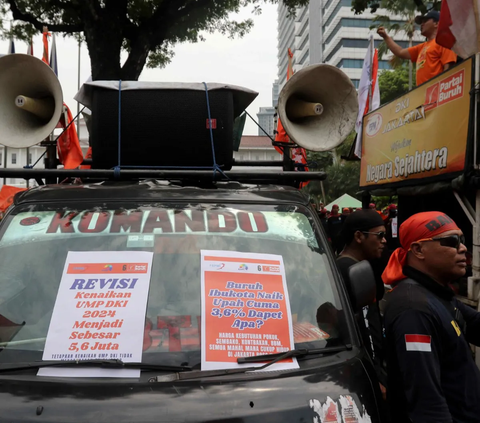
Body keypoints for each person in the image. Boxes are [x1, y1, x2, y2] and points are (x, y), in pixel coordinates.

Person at [382, 212, 480, 422]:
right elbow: (427, 405)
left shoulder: (436, 293)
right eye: (452, 241)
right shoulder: (413, 309)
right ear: (418, 250)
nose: (462, 248)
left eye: (461, 240)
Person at [336, 210, 388, 395]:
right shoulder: (355, 271)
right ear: (359, 236)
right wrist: (376, 376)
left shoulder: (341, 265)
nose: (384, 241)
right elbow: (366, 326)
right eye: (380, 235)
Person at [377, 11, 457, 86]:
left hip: (437, 94)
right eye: (421, 22)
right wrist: (385, 36)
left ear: (436, 23)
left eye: (425, 21)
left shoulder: (444, 43)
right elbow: (400, 52)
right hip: (422, 95)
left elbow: (449, 70)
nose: (422, 24)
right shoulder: (421, 47)